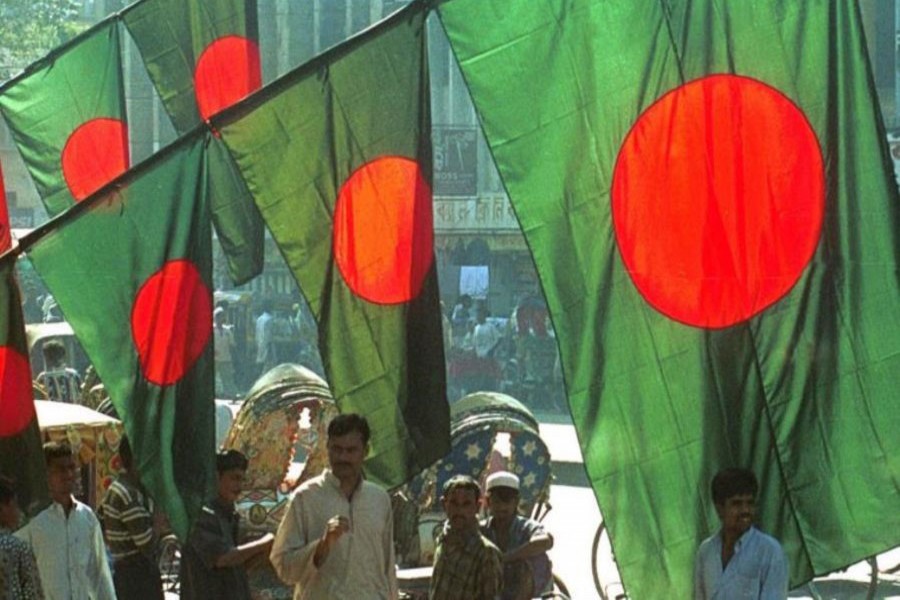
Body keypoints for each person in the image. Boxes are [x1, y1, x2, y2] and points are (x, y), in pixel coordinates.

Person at [270, 413, 397, 599]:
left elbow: (388, 569)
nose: (343, 457)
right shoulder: (305, 498)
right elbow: (283, 567)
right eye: (337, 449)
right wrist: (322, 546)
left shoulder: (379, 499)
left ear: (365, 451)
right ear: (328, 448)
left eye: (351, 450)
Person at [16, 441, 115, 600]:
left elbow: (100, 576)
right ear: (45, 474)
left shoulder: (87, 518)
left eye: (71, 468)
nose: (69, 474)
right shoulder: (32, 523)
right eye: (61, 469)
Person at [179, 450, 273, 600]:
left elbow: (235, 567)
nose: (239, 486)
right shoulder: (201, 514)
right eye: (235, 478)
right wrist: (264, 542)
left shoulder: (230, 515)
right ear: (216, 477)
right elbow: (223, 558)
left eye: (242, 480)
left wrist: (266, 551)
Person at [694, 468, 788, 600]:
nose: (745, 510)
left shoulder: (770, 551)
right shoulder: (706, 551)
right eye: (736, 504)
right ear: (719, 508)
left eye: (750, 503)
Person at [98, 436, 163, 600]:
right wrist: (158, 519)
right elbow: (147, 544)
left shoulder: (125, 489)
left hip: (131, 574)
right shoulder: (127, 494)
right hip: (136, 577)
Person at [481, 471, 553, 600]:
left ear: (516, 502)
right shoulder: (482, 529)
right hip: (490, 589)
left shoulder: (525, 526)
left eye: (507, 501)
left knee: (537, 557)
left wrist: (507, 558)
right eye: (497, 501)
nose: (502, 506)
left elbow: (546, 541)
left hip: (524, 592)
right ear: (488, 501)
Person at [430, 475, 503, 600]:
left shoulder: (486, 553)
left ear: (477, 506)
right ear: (444, 504)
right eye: (454, 503)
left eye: (466, 504)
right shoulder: (442, 540)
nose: (459, 510)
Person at [0, 476, 44, 599]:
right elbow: (33, 594)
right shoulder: (18, 548)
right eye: (14, 504)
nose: (18, 512)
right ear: (3, 508)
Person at [214, 306, 238, 398]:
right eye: (219, 316)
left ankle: (231, 394)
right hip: (214, 359)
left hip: (226, 358)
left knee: (228, 377)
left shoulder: (227, 331)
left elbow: (232, 345)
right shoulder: (211, 329)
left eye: (223, 316)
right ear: (215, 318)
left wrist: (234, 357)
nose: (221, 318)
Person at [255, 300, 275, 377]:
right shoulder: (270, 319)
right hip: (268, 347)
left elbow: (256, 335)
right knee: (269, 369)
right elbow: (269, 336)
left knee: (261, 366)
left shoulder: (259, 319)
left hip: (260, 345)